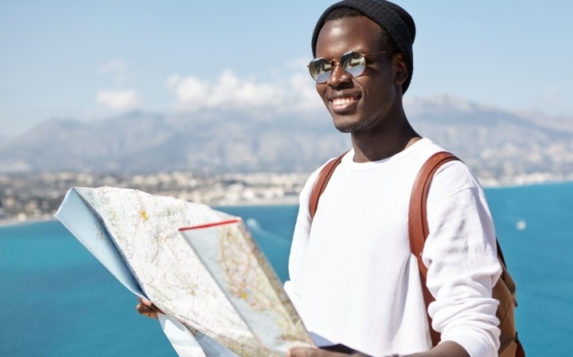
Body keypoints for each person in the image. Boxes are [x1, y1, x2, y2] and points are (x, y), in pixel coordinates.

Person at [140, 1, 502, 356]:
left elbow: (475, 335)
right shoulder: (322, 182)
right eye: (322, 67)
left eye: (354, 61)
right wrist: (188, 306)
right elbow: (297, 314)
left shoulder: (442, 181)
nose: (337, 79)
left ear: (399, 69)